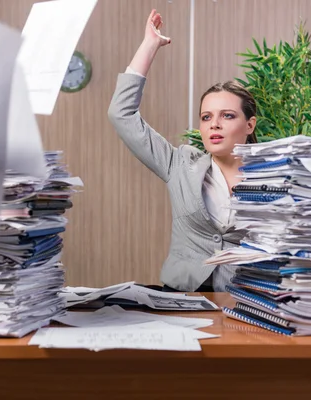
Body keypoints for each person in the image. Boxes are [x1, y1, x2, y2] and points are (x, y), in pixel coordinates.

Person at [107, 9, 258, 292]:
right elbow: (121, 115)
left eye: (227, 116)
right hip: (183, 296)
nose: (214, 124)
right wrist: (149, 46)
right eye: (206, 117)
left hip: (250, 300)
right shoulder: (180, 165)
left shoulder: (275, 174)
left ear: (249, 125)